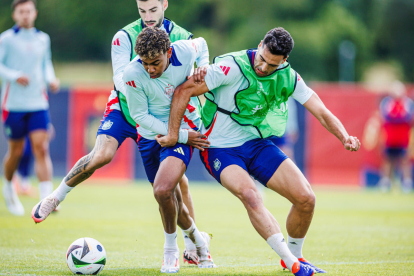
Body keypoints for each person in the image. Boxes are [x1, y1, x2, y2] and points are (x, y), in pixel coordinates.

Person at [157, 27, 361, 275]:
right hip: (219, 148)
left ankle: (295, 257)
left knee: (306, 199)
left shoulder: (289, 77)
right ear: (261, 43)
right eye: (262, 59)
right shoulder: (231, 67)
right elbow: (183, 91)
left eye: (272, 65)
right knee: (252, 196)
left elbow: (321, 110)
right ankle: (293, 263)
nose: (263, 68)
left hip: (256, 144)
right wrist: (174, 135)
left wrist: (345, 136)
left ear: (284, 61)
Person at [31, 0, 208, 267]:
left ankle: (192, 244)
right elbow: (122, 82)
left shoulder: (182, 37)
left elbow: (201, 51)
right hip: (128, 109)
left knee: (171, 182)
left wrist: (199, 69)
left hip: (163, 115)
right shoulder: (123, 37)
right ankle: (56, 196)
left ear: (164, 5)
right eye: (142, 11)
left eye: (153, 10)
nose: (148, 17)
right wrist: (155, 97)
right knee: (101, 155)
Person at [123, 27, 215, 273]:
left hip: (185, 126)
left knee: (162, 189)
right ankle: (199, 242)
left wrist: (202, 67)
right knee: (169, 198)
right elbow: (140, 115)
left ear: (169, 51)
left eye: (155, 62)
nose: (150, 69)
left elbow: (203, 43)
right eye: (145, 63)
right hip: (150, 137)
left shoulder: (184, 50)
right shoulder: (131, 74)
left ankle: (170, 251)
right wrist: (180, 135)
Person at [1, 0, 60, 216]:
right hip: (13, 105)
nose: (25, 15)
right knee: (16, 151)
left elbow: (46, 64)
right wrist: (15, 76)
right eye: (21, 12)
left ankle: (47, 200)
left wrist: (52, 79)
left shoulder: (42, 39)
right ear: (15, 14)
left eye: (29, 11)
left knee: (41, 148)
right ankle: (8, 188)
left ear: (34, 13)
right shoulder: (6, 39)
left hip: (38, 102)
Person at [377, 81, 414, 193]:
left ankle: (407, 183)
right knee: (388, 160)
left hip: (403, 138)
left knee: (404, 160)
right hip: (390, 138)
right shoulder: (387, 103)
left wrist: (396, 118)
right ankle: (386, 182)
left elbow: (408, 118)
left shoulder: (408, 103)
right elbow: (385, 117)